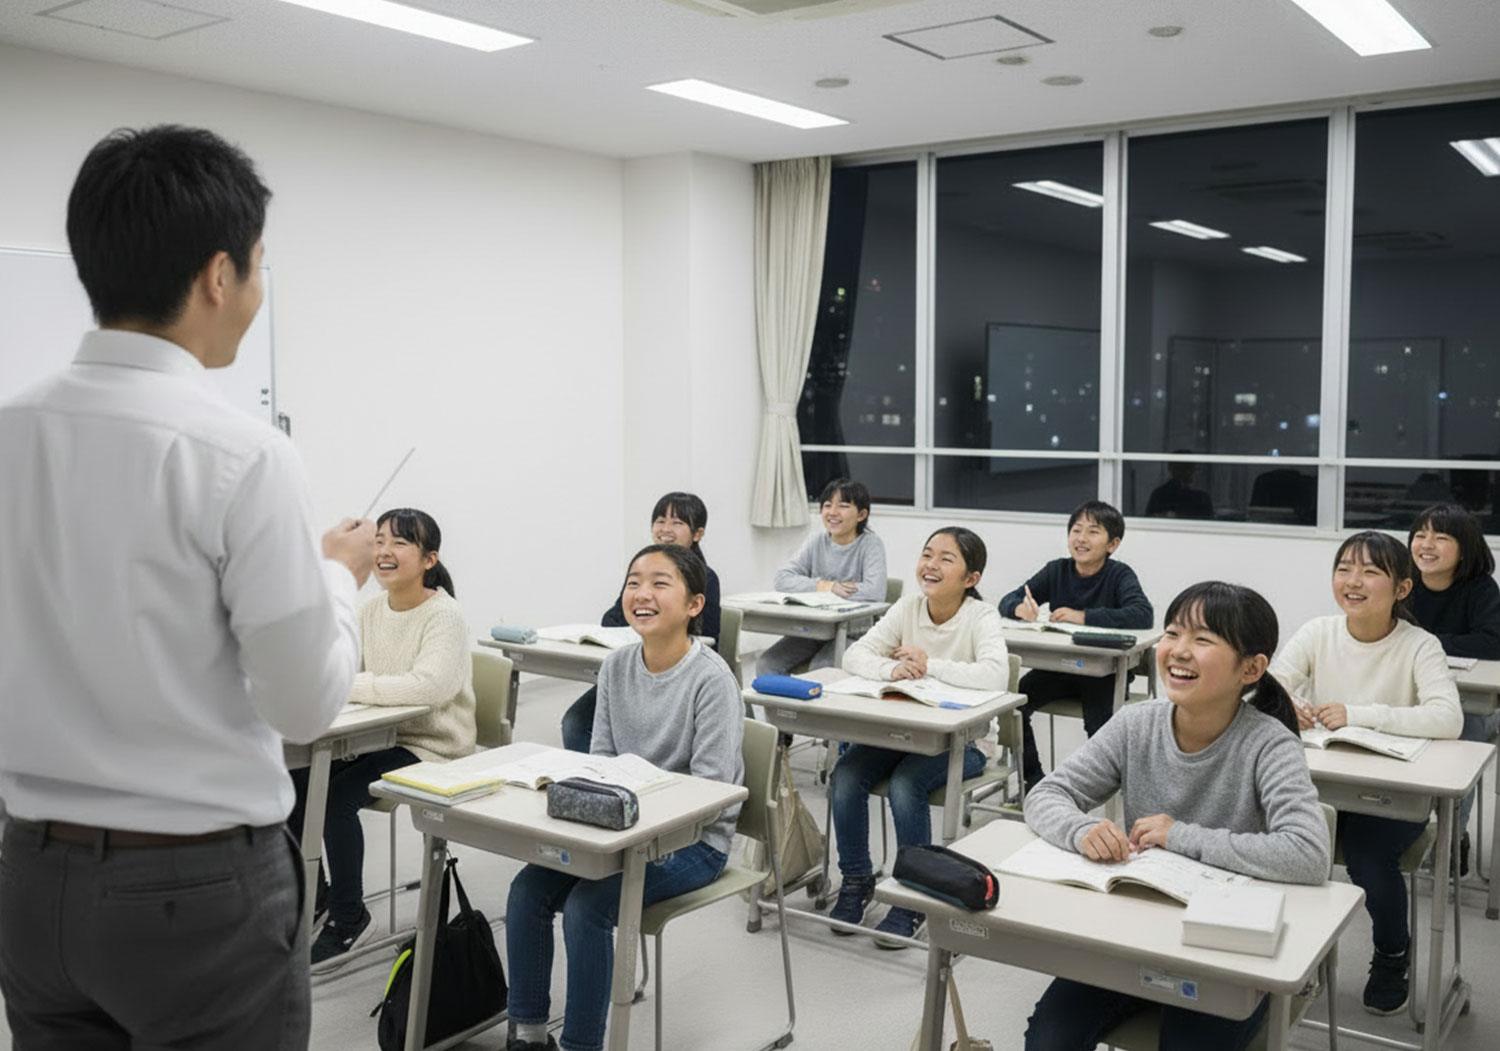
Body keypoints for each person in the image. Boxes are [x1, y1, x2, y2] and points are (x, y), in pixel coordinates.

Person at [0, 125, 374, 1048]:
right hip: (195, 895)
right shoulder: (242, 454)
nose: (255, 288)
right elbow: (303, 702)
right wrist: (339, 577)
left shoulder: (10, 432)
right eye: (257, 265)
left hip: (32, 875)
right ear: (219, 276)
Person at [1023, 582, 1330, 1051]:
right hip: (1136, 934)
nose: (1179, 651)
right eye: (1172, 633)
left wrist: (1178, 835)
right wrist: (1081, 828)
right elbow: (1047, 795)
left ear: (1251, 668)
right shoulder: (1135, 723)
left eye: (1203, 640)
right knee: (1049, 1039)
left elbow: (1307, 854)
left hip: (1227, 948)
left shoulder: (1270, 744)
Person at [505, 544, 744, 1051]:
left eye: (661, 583)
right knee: (528, 891)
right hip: (620, 828)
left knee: (587, 908)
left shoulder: (711, 679)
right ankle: (526, 1034)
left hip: (694, 841)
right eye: (634, 581)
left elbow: (713, 793)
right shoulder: (616, 667)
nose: (642, 593)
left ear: (694, 605)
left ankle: (582, 1044)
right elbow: (601, 763)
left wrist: (634, 813)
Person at [1271, 531, 1463, 1015]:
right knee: (1266, 840)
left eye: (1370, 572)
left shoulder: (1420, 645)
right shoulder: (1318, 632)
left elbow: (1448, 717)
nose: (1353, 582)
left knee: (1367, 857)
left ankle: (1391, 955)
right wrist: (1285, 703)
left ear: (1401, 589)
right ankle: (1280, 952)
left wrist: (1359, 713)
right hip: (1325, 787)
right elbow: (1268, 684)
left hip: (1392, 796)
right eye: (1344, 569)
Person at [288, 508, 475, 963]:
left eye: (400, 543)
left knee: (335, 800)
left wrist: (350, 684)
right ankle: (318, 897)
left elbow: (428, 689)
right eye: (380, 541)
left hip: (429, 745)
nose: (385, 552)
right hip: (377, 736)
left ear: (429, 559)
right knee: (294, 783)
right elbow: (341, 668)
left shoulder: (444, 615)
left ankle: (350, 920)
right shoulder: (370, 608)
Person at [828, 527, 1006, 946]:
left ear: (970, 579)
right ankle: (856, 878)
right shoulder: (908, 608)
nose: (931, 564)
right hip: (901, 731)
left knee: (908, 786)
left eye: (947, 558)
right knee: (845, 776)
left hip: (965, 743)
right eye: (928, 554)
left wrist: (930, 664)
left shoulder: (982, 616)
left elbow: (995, 674)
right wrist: (891, 670)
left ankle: (914, 895)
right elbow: (855, 655)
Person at [997, 500, 1154, 789]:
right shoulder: (1057, 570)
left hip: (1103, 673)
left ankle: (1099, 787)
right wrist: (1021, 609)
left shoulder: (1119, 574)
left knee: (1099, 723)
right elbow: (1008, 599)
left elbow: (1143, 614)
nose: (1081, 538)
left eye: (1093, 531)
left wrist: (1084, 616)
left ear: (1112, 544)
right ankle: (1033, 780)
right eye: (1076, 530)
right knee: (1013, 703)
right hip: (1060, 669)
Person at [560, 491, 721, 753]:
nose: (665, 529)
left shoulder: (704, 577)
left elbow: (708, 636)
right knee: (575, 722)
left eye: (677, 523)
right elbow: (611, 619)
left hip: (677, 674)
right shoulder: (644, 565)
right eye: (660, 521)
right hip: (636, 667)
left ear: (697, 533)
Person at [1408, 503, 1500, 873]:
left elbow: (1493, 642)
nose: (1426, 544)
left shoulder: (1479, 588)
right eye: (1420, 535)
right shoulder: (1403, 583)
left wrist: (1426, 643)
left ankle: (1452, 837)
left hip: (1469, 699)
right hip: (1412, 693)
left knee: (1468, 731)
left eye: (1440, 537)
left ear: (1465, 548)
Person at [756, 477, 888, 676]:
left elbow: (874, 591)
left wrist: (808, 586)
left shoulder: (870, 544)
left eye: (843, 506)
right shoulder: (816, 540)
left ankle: (812, 708)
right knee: (766, 663)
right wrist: (827, 586)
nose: (832, 512)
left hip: (854, 634)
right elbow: (783, 579)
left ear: (861, 514)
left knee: (821, 668)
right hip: (812, 630)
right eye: (827, 505)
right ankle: (781, 709)